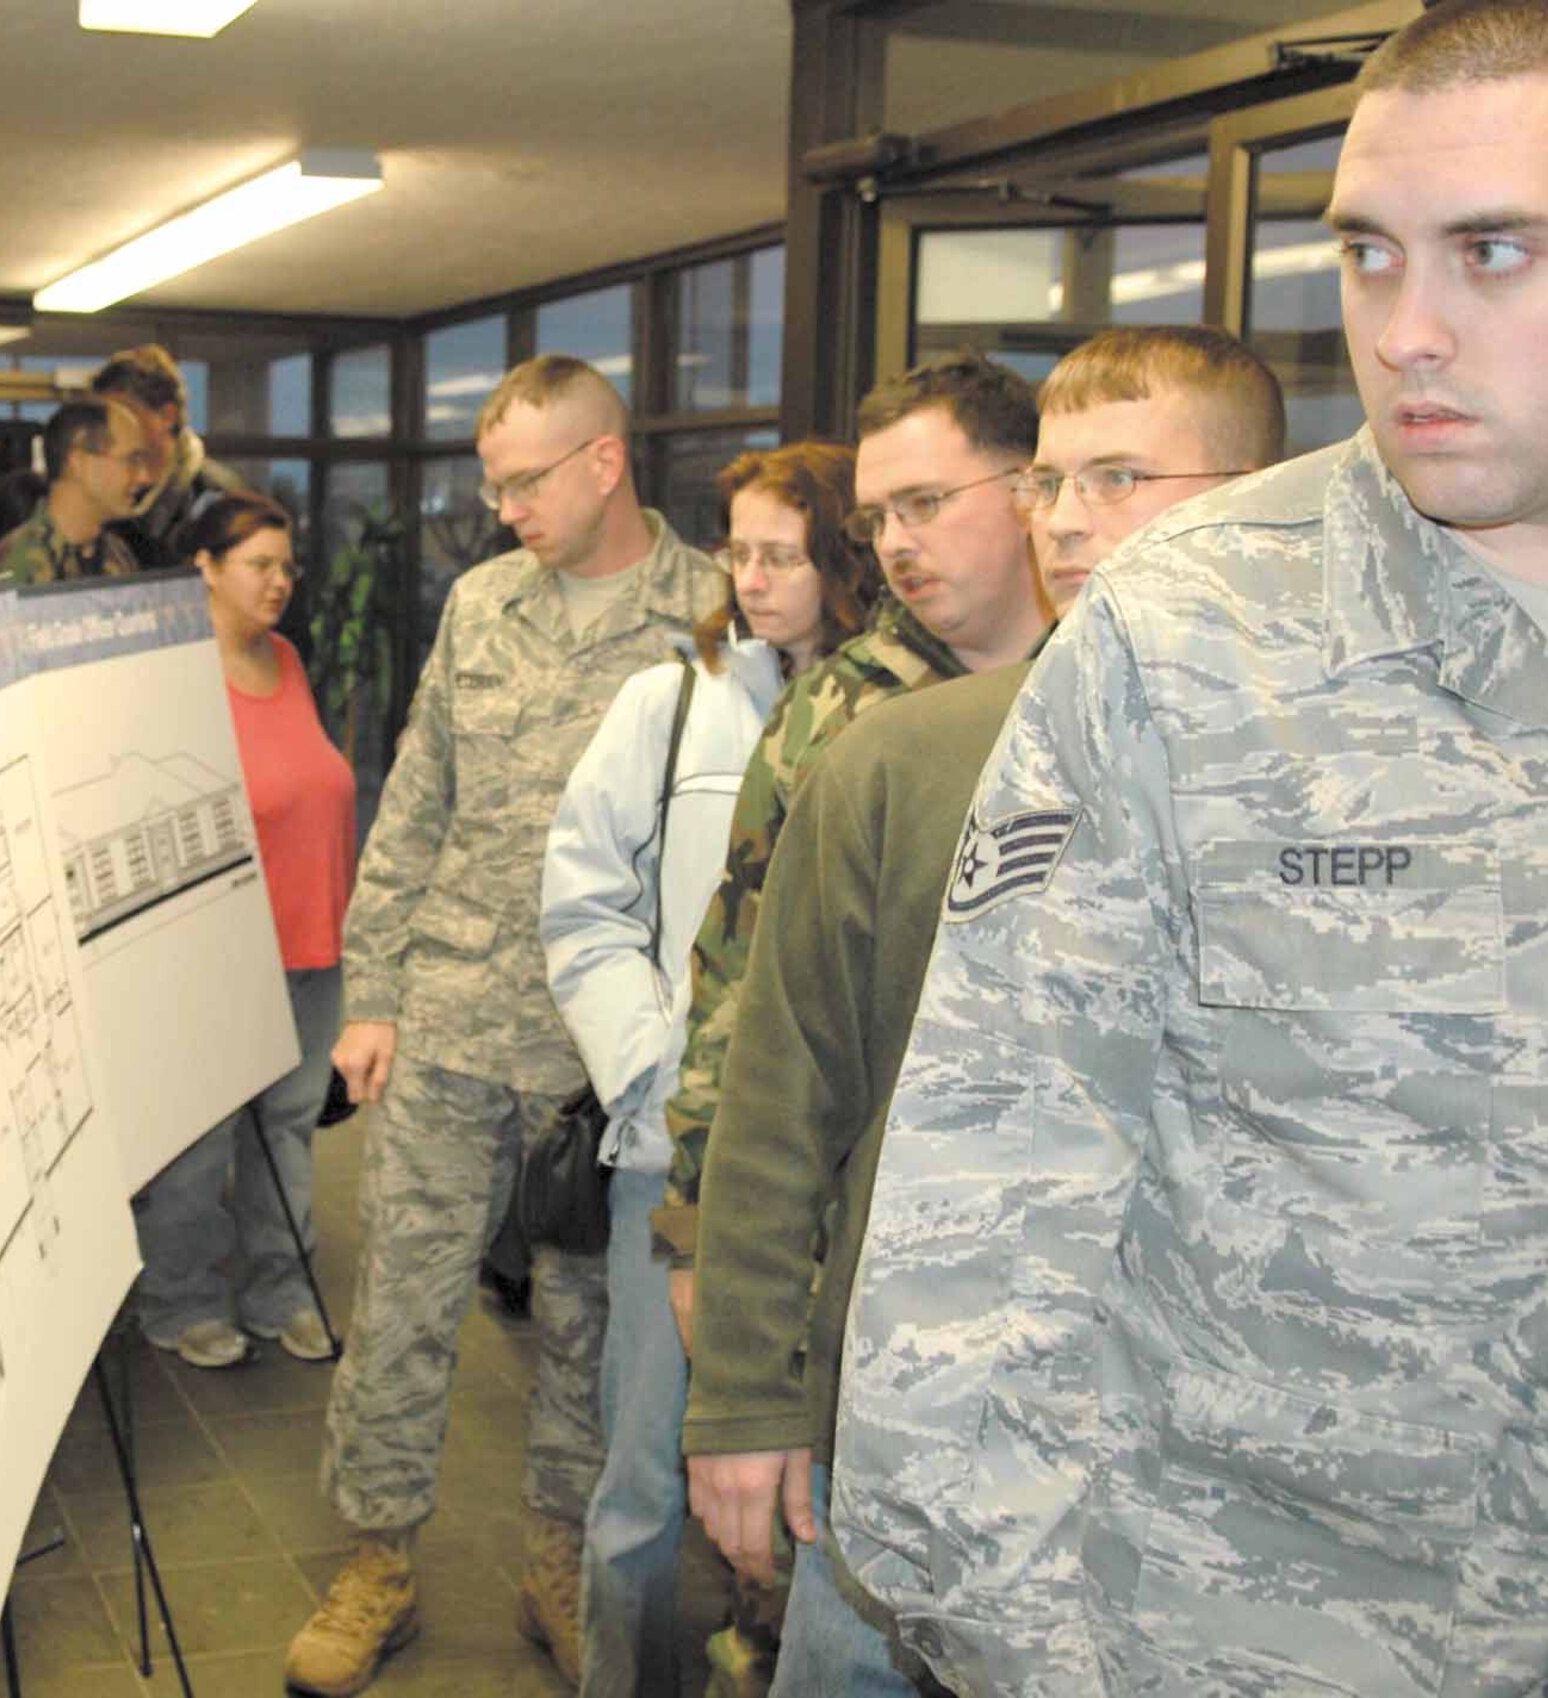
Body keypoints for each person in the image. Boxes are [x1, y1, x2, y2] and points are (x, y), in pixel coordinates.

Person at [835, 2, 1548, 1693]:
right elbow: (988, 1192)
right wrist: (1030, 1653)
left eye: (1496, 253)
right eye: (1373, 257)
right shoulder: (1201, 633)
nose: (1411, 332)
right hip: (1261, 1633)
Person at [683, 328, 1287, 1698]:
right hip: (916, 1437)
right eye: (1050, 485)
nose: (1067, 523)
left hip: (1216, 1471)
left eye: (1120, 476)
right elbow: (781, 1096)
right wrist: (746, 1396)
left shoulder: (1347, 788)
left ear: (1265, 494)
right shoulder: (906, 757)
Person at [286, 354, 722, 1697]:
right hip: (457, 1018)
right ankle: (378, 1560)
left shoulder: (711, 612)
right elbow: (416, 797)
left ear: (604, 462)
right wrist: (374, 993)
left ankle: (558, 1555)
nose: (501, 509)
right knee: (404, 1298)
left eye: (524, 480)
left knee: (593, 1327)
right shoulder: (482, 604)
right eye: (491, 483)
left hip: (611, 1058)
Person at [653, 350, 1046, 1695]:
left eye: (926, 503)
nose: (895, 543)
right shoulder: (848, 706)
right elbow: (744, 991)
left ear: (1027, 488)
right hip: (838, 1268)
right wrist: (698, 1230)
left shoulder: (1113, 700)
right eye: (879, 515)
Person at [539, 442, 880, 1698]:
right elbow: (582, 903)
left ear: (844, 553)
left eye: (779, 553)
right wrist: (646, 1072)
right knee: (639, 1482)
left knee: (815, 1476)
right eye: (735, 551)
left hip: (828, 1174)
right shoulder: (674, 699)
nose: (748, 580)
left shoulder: (890, 706)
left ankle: (766, 1656)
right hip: (674, 1159)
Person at [132, 492, 357, 1368]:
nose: (280, 581)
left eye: (287, 565)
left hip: (311, 944)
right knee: (199, 1145)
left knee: (287, 1135)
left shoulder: (289, 661)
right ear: (206, 568)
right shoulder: (176, 680)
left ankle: (282, 1292)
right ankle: (179, 1302)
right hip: (216, 956)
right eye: (260, 564)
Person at [90, 343, 245, 567]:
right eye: (105, 418)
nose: (112, 428)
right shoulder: (105, 491)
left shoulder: (220, 498)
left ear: (167, 416)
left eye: (124, 414)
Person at [0, 397, 150, 584]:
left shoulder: (117, 556)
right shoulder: (15, 568)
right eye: (132, 460)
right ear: (79, 463)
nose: (144, 477)